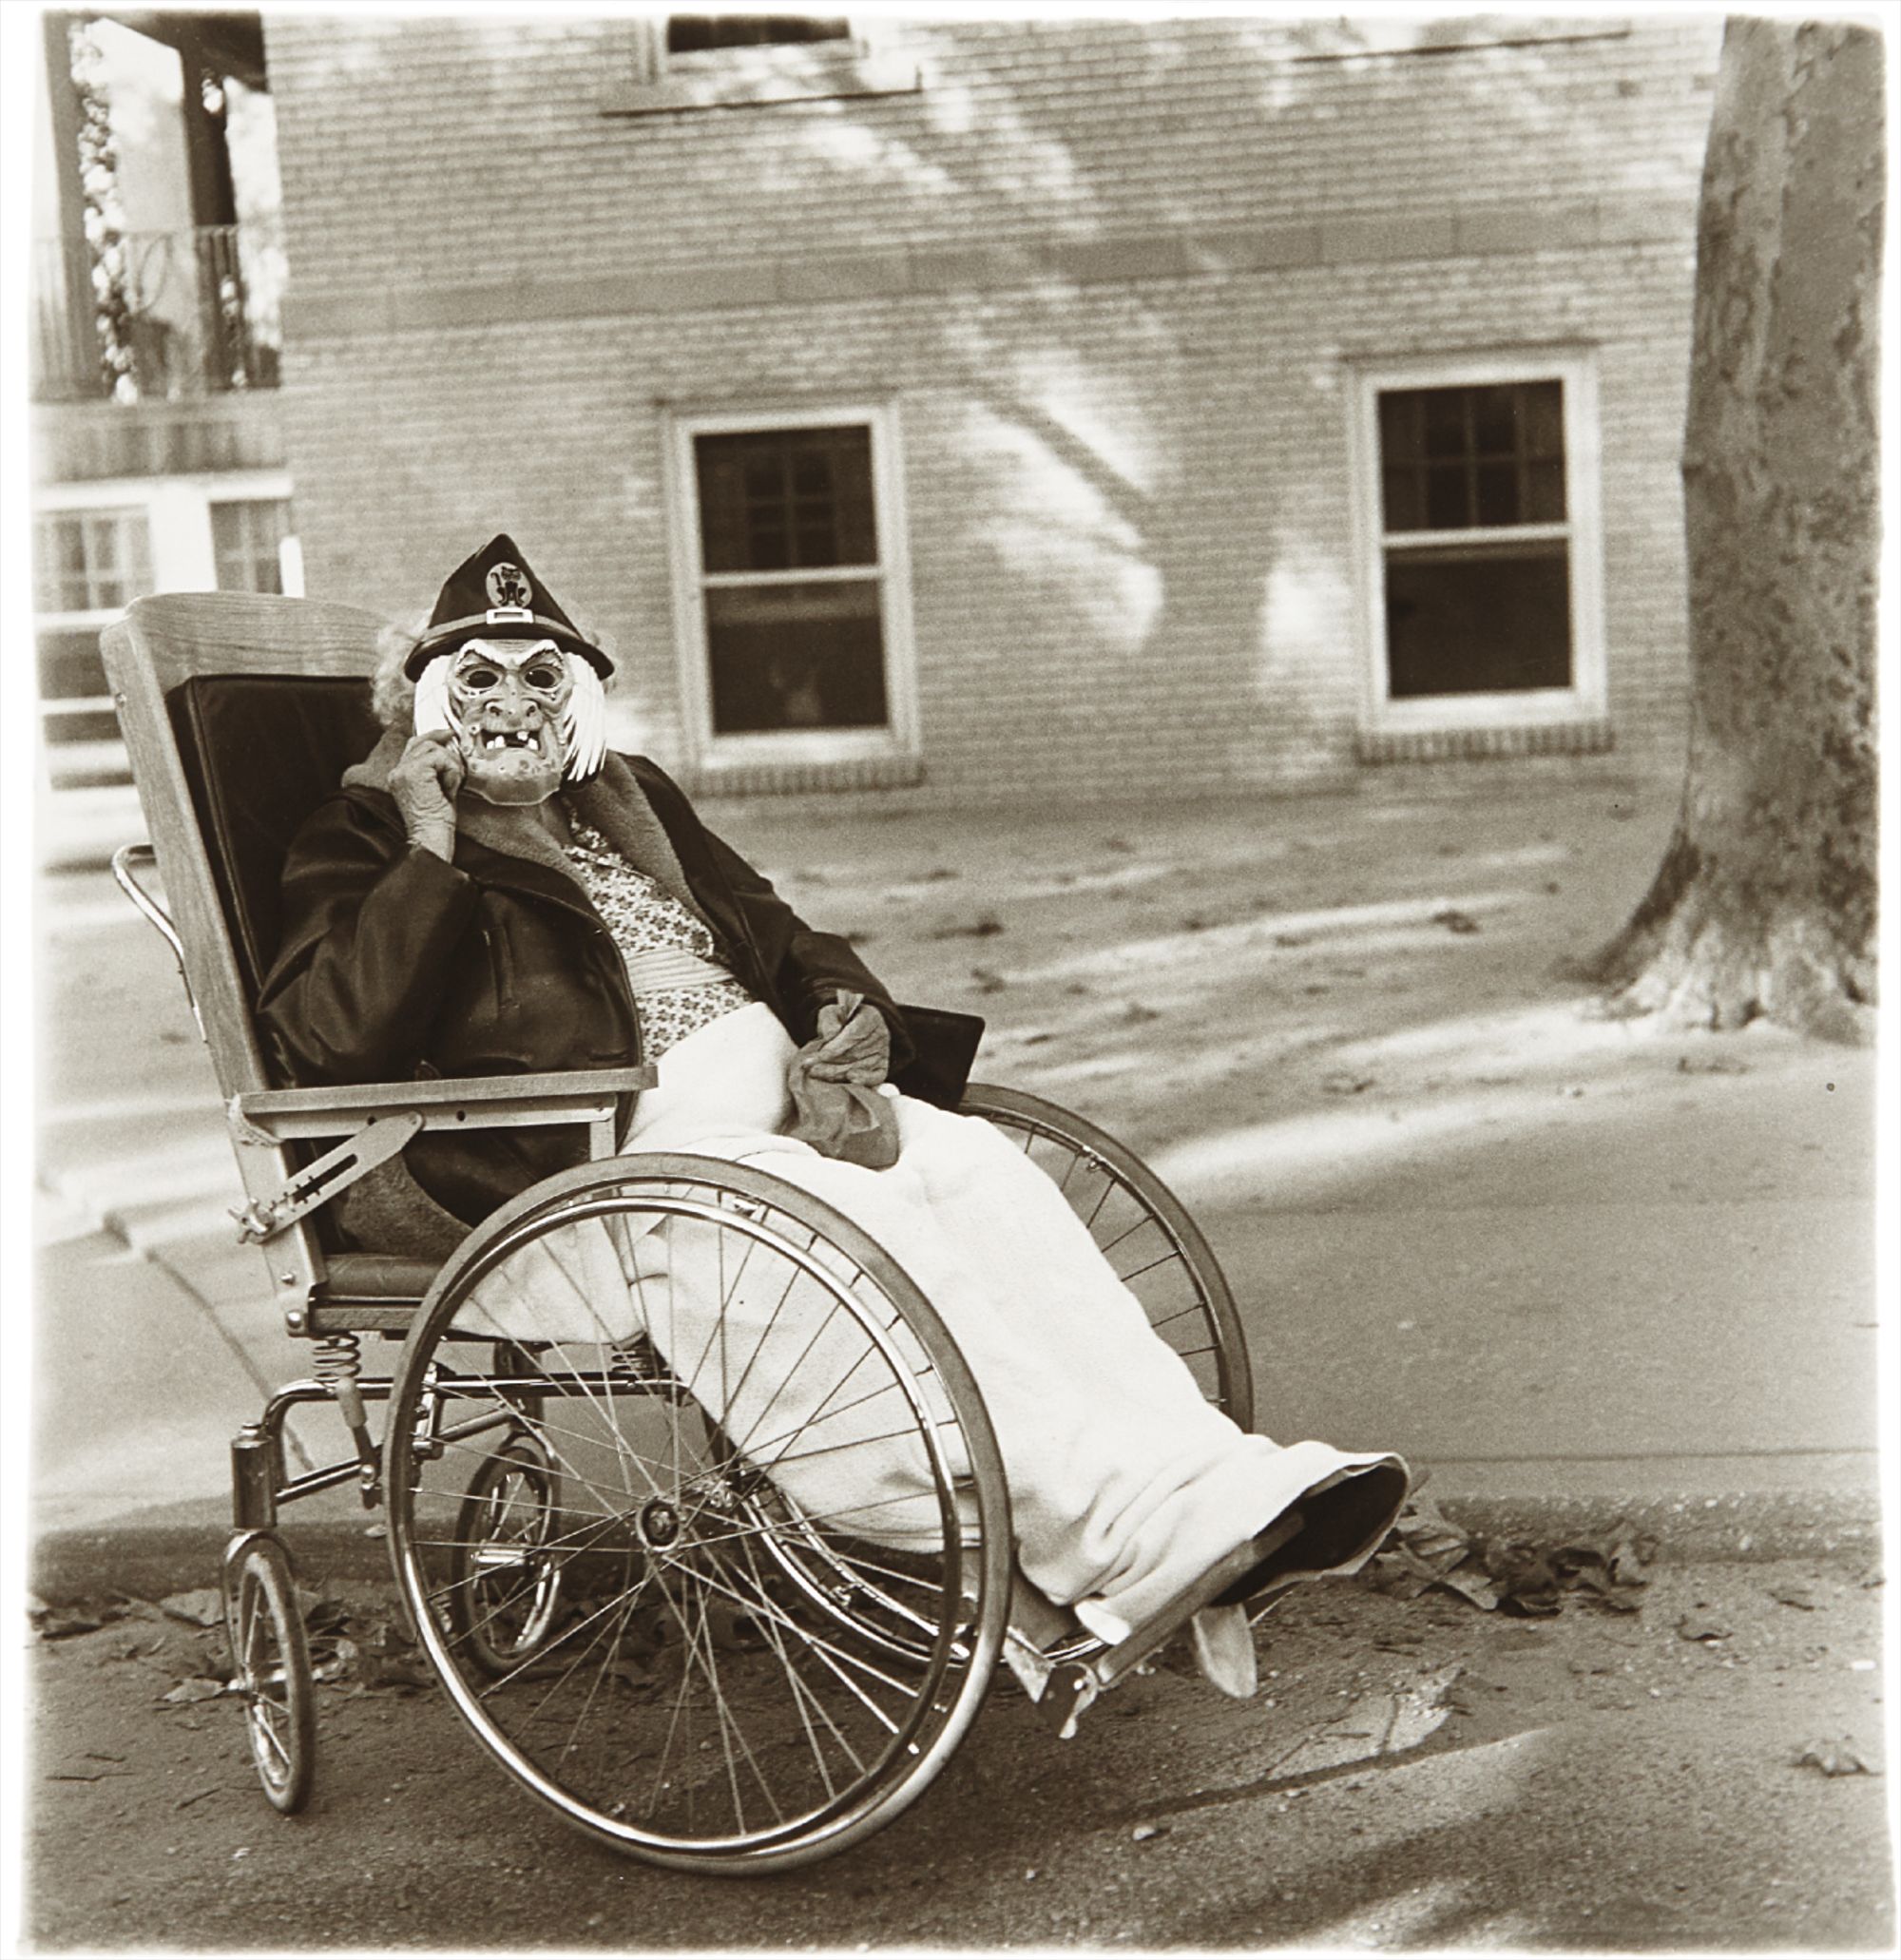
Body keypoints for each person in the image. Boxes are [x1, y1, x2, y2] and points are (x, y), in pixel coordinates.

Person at [259, 535, 1408, 1686]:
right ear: (422, 706)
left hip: (776, 1120)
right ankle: (1109, 1538)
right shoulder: (367, 833)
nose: (511, 707)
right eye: (478, 680)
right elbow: (334, 1036)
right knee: (881, 1248)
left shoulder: (624, 796)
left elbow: (774, 929)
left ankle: (1207, 1488)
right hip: (580, 1165)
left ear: (577, 699)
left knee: (979, 1174)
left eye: (540, 678)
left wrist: (841, 1008)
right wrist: (429, 850)